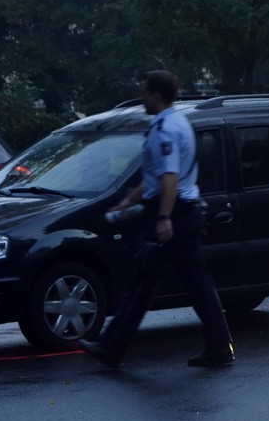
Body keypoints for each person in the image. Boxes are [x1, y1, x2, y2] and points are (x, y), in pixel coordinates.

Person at [81, 70, 235, 368]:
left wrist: (164, 217)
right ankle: (219, 346)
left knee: (143, 280)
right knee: (198, 283)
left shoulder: (164, 129)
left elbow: (168, 177)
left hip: (172, 211)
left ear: (156, 95)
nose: (142, 100)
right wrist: (130, 200)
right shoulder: (179, 122)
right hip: (187, 210)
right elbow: (157, 175)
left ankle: (111, 347)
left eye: (144, 94)